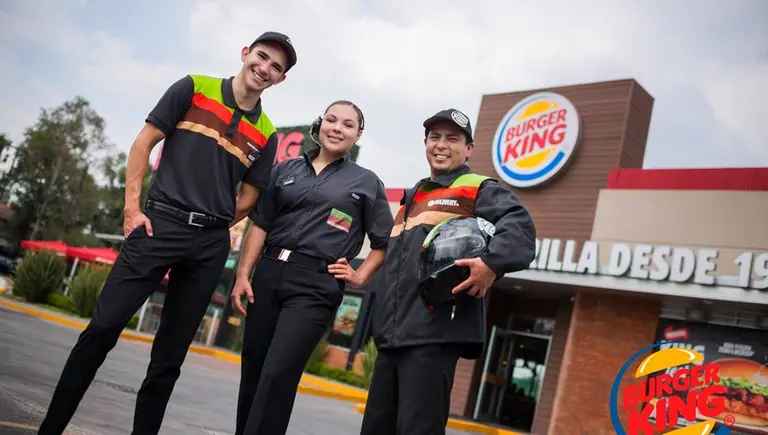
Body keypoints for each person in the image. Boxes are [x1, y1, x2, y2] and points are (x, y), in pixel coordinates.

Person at [38, 31, 298, 435]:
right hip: (159, 224)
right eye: (261, 57)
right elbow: (144, 143)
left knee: (168, 360)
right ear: (245, 53)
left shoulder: (267, 133)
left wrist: (215, 223)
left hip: (209, 246)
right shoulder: (194, 88)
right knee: (102, 329)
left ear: (281, 80)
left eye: (275, 68)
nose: (264, 69)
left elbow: (249, 197)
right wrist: (131, 209)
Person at [359, 108, 537, 435]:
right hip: (392, 338)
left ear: (469, 148)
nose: (442, 145)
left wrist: (491, 263)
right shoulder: (412, 200)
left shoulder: (477, 187)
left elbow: (521, 229)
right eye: (435, 137)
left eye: (453, 139)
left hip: (432, 337)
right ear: (425, 143)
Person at [230, 100, 394, 435]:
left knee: (278, 373)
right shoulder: (285, 170)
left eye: (348, 124)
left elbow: (384, 243)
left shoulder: (366, 182)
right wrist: (243, 274)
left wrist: (360, 276)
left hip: (316, 285)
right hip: (269, 273)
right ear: (319, 125)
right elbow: (259, 225)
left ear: (358, 134)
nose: (338, 128)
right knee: (255, 370)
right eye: (332, 120)